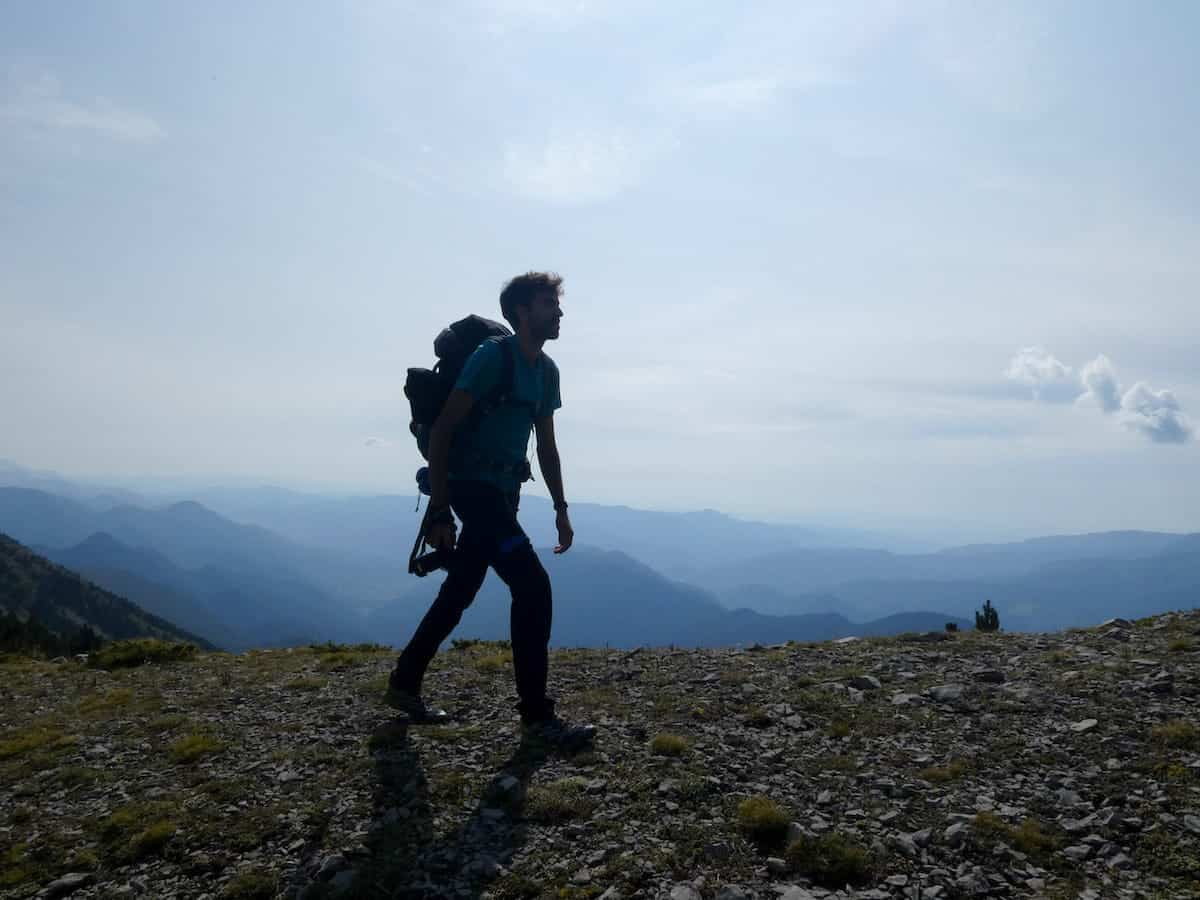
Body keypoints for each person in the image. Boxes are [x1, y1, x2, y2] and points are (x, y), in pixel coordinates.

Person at [387, 272, 596, 751]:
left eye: (557, 306)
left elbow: (547, 446)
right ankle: (537, 718)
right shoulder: (490, 359)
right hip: (470, 489)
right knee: (533, 586)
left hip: (503, 493)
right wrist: (440, 509)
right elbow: (441, 433)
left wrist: (561, 508)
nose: (559, 313)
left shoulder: (546, 371)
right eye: (549, 305)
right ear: (522, 312)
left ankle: (404, 683)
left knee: (461, 588)